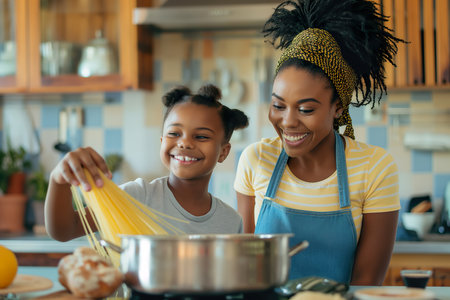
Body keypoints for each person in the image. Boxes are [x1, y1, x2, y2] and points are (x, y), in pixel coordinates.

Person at [234, 0, 404, 285]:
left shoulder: (374, 167)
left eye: (306, 109)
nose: (288, 121)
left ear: (337, 107)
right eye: (279, 105)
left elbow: (366, 283)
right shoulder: (255, 159)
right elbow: (243, 268)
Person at [45, 84, 249, 241]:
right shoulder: (138, 196)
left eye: (202, 137)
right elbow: (64, 230)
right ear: (162, 142)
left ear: (223, 152)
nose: (184, 143)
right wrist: (58, 180)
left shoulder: (231, 221)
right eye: (174, 133)